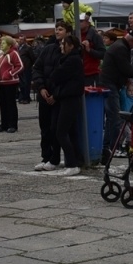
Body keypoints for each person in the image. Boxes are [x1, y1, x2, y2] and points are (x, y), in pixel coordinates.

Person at [47, 34, 86, 177]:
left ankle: (72, 164)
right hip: (66, 98)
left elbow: (56, 76)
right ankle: (76, 159)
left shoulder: (72, 60)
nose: (61, 46)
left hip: (70, 99)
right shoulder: (69, 59)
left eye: (64, 44)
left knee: (61, 132)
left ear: (71, 46)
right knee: (71, 132)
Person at [33, 24, 70, 171]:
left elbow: (66, 75)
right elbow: (37, 68)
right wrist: (41, 87)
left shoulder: (69, 51)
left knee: (57, 129)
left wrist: (56, 93)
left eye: (61, 29)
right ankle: (46, 157)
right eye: (56, 29)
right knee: (45, 128)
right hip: (44, 94)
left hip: (59, 97)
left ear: (68, 32)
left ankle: (57, 157)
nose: (57, 31)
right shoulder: (48, 49)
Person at [0, 35, 22, 134]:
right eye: (1, 42)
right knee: (3, 104)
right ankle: (4, 124)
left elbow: (20, 66)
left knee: (11, 104)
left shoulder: (14, 53)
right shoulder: (2, 55)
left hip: (10, 82)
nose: (1, 44)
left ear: (9, 45)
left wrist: (10, 74)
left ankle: (12, 125)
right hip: (1, 82)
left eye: (4, 42)